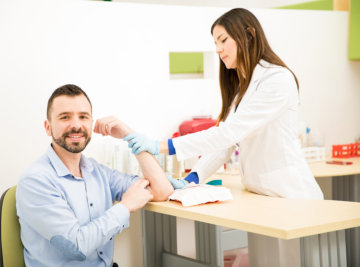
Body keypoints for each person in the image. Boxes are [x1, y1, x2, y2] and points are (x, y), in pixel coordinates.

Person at [123, 8, 323, 200]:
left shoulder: (277, 79)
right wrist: (193, 177)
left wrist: (162, 146)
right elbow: (227, 143)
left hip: (291, 194)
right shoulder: (242, 89)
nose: (218, 49)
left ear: (249, 34)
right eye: (216, 43)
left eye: (223, 40)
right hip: (260, 193)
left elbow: (228, 134)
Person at [16, 84, 173, 267]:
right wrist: (125, 206)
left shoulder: (96, 171)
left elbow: (161, 190)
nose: (76, 125)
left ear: (91, 125)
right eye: (65, 117)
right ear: (48, 127)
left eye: (83, 117)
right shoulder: (35, 180)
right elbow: (76, 246)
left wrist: (129, 135)